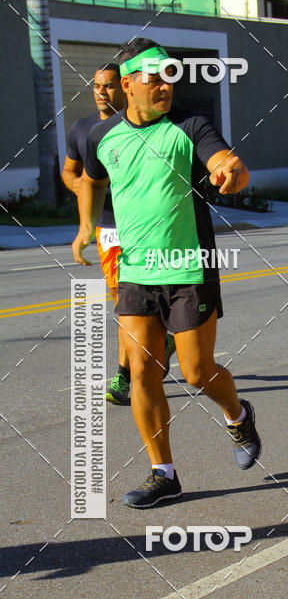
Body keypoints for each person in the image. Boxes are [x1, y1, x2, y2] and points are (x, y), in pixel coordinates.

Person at [72, 38, 261, 508]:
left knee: (196, 371)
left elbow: (224, 160)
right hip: (136, 271)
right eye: (154, 77)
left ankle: (238, 415)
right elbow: (92, 180)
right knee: (141, 371)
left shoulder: (189, 125)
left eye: (170, 76)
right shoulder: (102, 137)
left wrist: (230, 172)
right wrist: (84, 227)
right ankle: (164, 473)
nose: (164, 85)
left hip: (188, 268)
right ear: (128, 83)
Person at [64, 64, 177, 404]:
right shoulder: (83, 130)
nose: (102, 92)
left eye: (109, 86)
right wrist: (89, 192)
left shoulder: (147, 127)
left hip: (150, 228)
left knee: (153, 299)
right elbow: (71, 173)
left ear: (125, 88)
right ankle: (126, 376)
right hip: (111, 228)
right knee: (124, 301)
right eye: (97, 86)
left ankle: (161, 343)